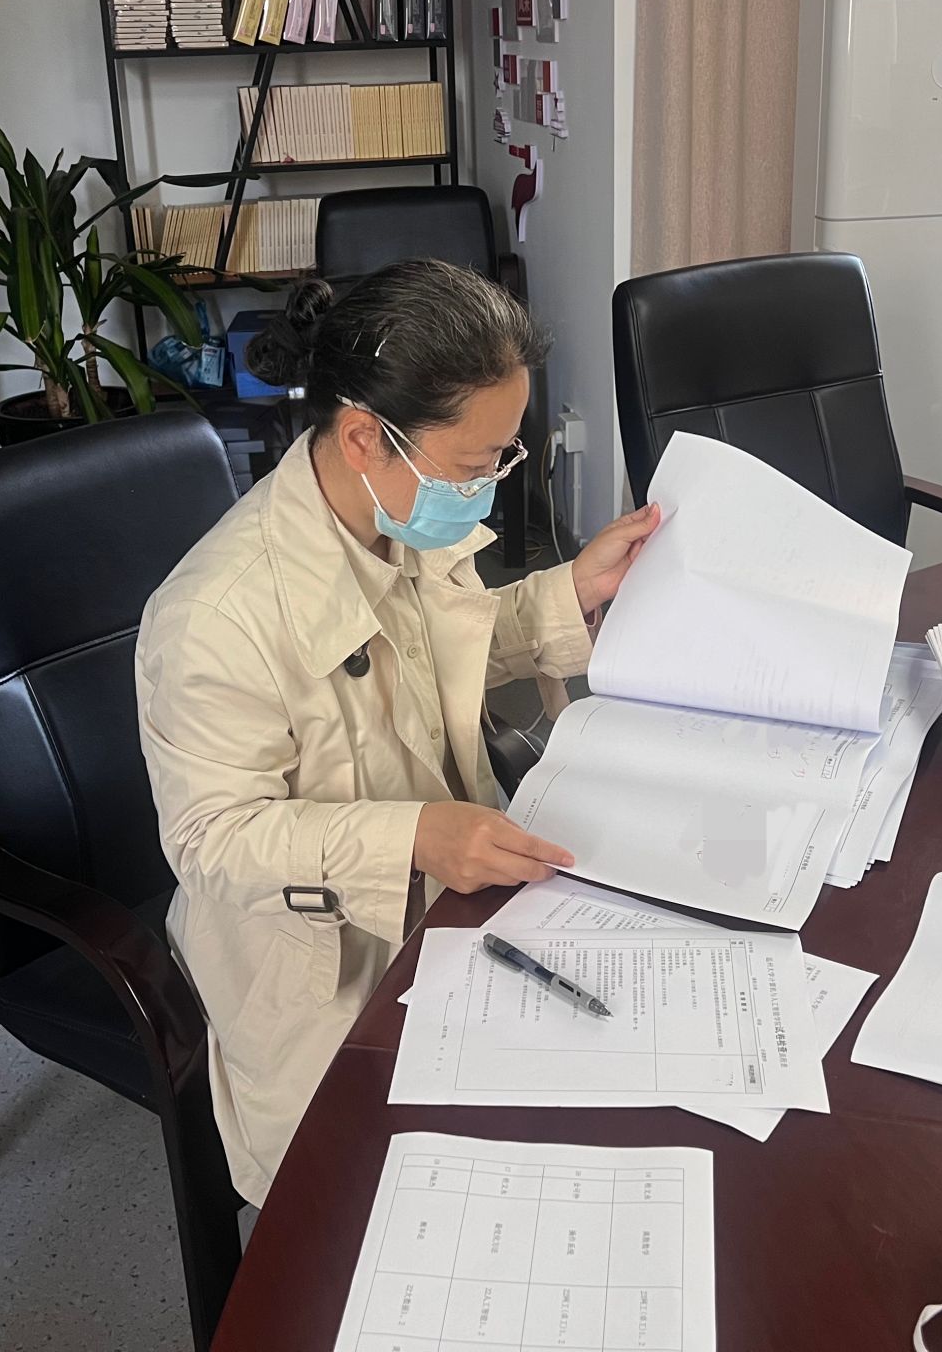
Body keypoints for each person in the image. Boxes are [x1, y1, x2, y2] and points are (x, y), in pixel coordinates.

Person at [134, 259, 659, 1206]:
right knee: (406, 1199)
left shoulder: (397, 513)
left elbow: (437, 657)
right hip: (316, 965)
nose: (491, 489)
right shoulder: (215, 616)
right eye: (474, 465)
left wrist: (572, 590)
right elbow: (211, 840)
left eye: (503, 457)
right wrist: (411, 836)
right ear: (364, 436)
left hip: (450, 906)